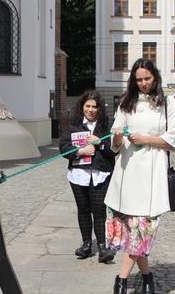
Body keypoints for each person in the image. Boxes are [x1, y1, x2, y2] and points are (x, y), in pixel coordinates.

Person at [105, 58, 175, 294]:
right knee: (132, 231)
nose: (143, 83)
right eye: (138, 79)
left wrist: (145, 139)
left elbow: (174, 138)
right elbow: (114, 143)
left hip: (152, 170)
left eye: (147, 78)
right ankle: (147, 278)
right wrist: (118, 136)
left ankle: (121, 280)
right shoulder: (126, 102)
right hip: (128, 172)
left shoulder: (167, 103)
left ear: (155, 77)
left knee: (142, 229)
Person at [59, 91, 117, 263]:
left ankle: (102, 246)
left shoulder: (106, 127)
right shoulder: (74, 126)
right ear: (82, 107)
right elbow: (63, 146)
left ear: (99, 109)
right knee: (83, 210)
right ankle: (86, 244)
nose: (91, 110)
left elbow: (114, 150)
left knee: (99, 211)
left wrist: (100, 143)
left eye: (94, 106)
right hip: (79, 175)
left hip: (100, 174)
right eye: (88, 106)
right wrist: (79, 151)